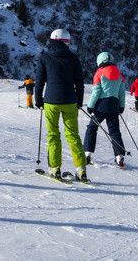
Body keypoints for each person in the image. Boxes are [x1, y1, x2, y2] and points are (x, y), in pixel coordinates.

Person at [35, 28, 87, 182]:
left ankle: (55, 169)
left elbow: (39, 81)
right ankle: (81, 170)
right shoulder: (73, 58)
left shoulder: (44, 57)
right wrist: (79, 101)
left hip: (51, 101)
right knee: (73, 135)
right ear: (66, 42)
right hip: (70, 101)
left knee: (53, 135)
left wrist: (38, 100)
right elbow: (80, 82)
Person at [83, 51, 127, 168]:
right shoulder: (119, 74)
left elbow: (96, 91)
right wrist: (121, 106)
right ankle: (119, 156)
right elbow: (122, 93)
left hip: (101, 106)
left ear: (100, 61)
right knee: (114, 131)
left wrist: (90, 105)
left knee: (92, 128)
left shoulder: (99, 73)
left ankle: (87, 153)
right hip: (114, 106)